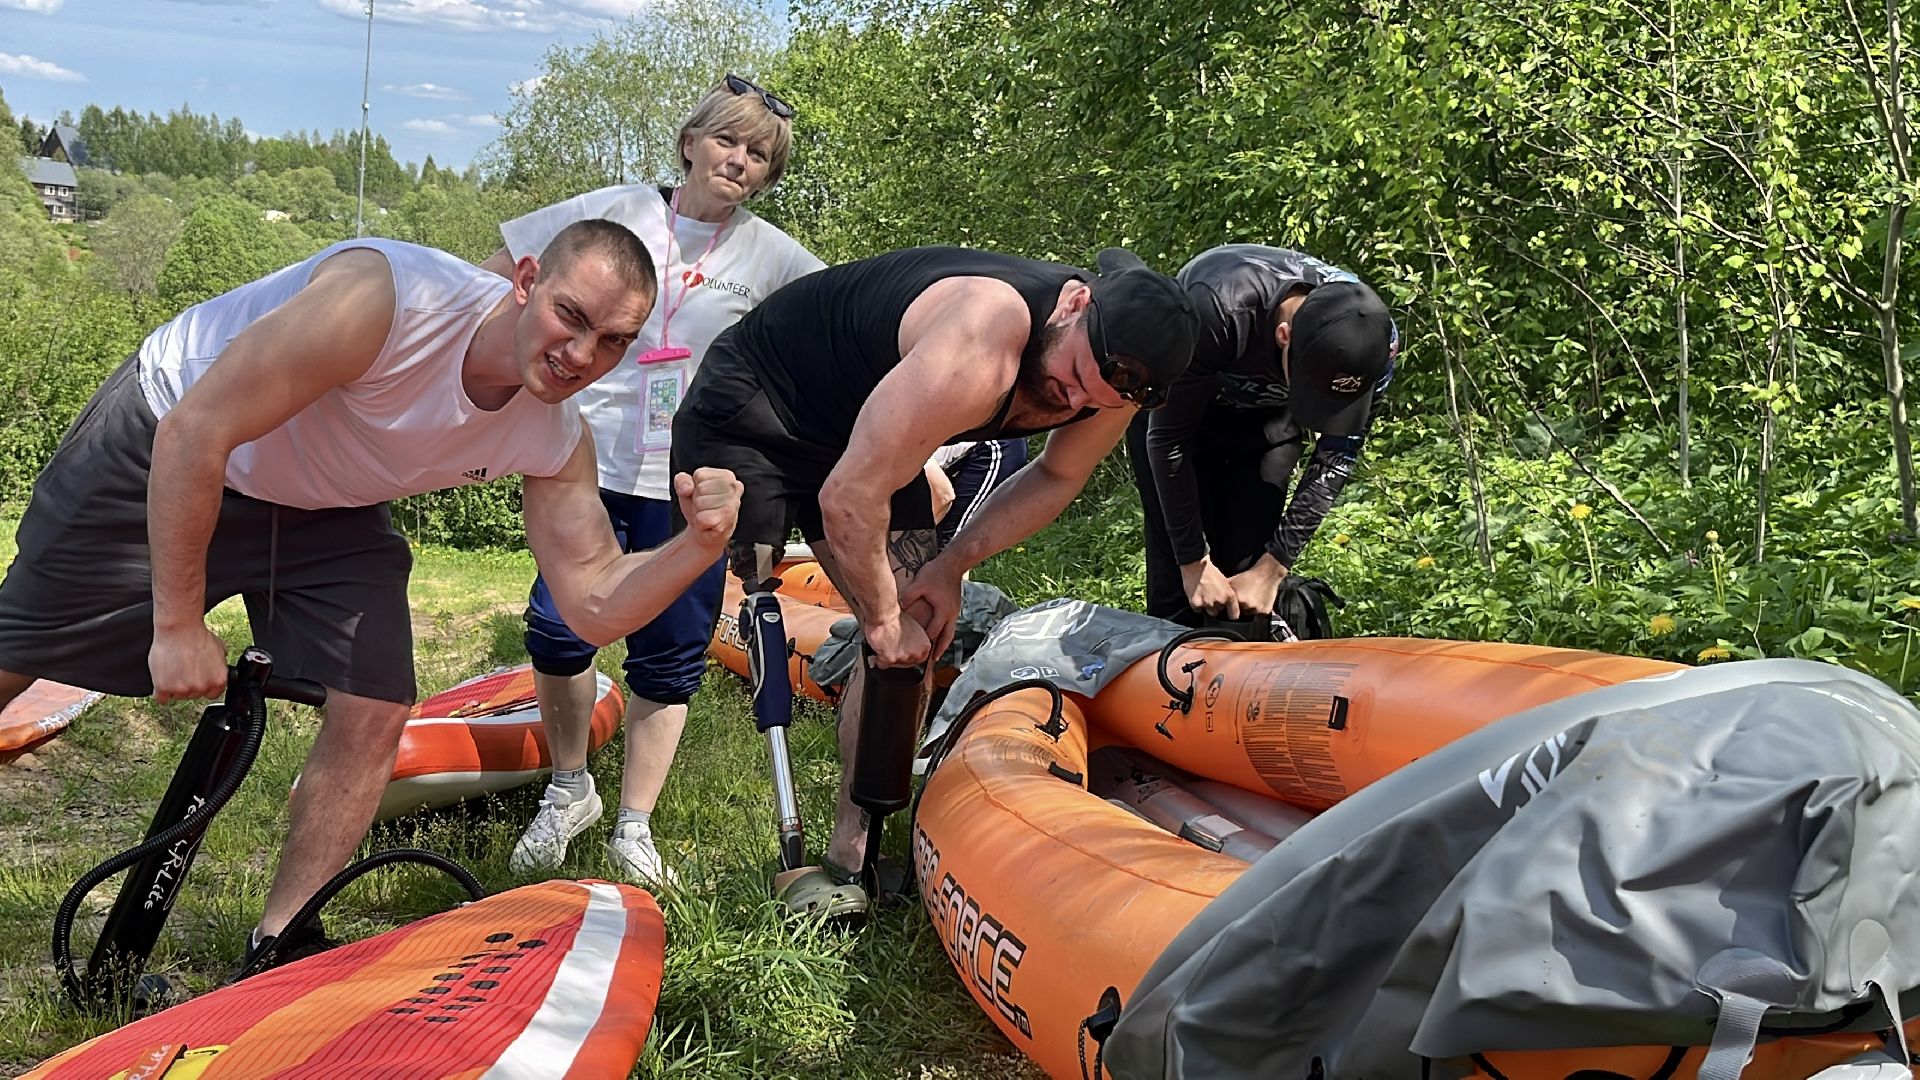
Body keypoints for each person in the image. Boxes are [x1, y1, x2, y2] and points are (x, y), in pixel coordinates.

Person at [0, 221, 744, 973]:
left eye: (613, 339)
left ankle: (284, 944)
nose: (583, 355)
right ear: (525, 283)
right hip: (169, 434)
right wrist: (178, 621)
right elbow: (199, 430)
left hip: (327, 500)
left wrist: (696, 547)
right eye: (571, 316)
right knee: (17, 650)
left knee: (375, 701)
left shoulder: (554, 434)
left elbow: (592, 603)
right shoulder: (389, 300)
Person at [670, 244, 1200, 917]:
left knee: (914, 647)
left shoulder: (1113, 378)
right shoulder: (982, 336)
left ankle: (848, 859)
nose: (1071, 402)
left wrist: (948, 571)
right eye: (1069, 381)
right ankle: (784, 845)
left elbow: (1057, 476)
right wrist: (880, 618)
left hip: (867, 430)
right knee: (771, 588)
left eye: (1092, 401)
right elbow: (846, 498)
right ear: (1074, 304)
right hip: (761, 402)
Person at [478, 74, 822, 886]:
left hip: (692, 478)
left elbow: (846, 328)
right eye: (729, 140)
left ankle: (634, 824)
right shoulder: (616, 210)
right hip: (583, 460)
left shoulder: (774, 258)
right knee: (560, 633)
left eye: (760, 155)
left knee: (669, 653)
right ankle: (569, 790)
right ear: (692, 142)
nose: (740, 160)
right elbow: (498, 274)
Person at [1127, 244, 1396, 634]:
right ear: (1284, 335)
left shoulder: (1376, 344)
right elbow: (1169, 441)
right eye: (1312, 390)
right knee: (1181, 590)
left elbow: (1336, 457)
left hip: (1269, 423)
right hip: (1179, 412)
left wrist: (1273, 567)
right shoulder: (1218, 307)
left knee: (1246, 586)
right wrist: (1193, 562)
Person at [925, 438, 1029, 549]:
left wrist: (916, 537)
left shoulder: (907, 454)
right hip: (961, 454)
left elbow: (944, 497)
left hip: (995, 447)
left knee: (950, 542)